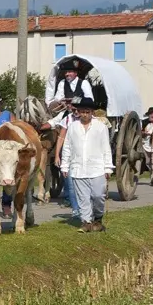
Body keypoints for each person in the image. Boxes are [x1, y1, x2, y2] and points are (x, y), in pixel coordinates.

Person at [60, 96, 113, 233]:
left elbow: (106, 148)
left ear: (92, 112)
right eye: (82, 112)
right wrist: (65, 165)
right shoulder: (73, 127)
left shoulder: (100, 127)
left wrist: (108, 167)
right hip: (78, 168)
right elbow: (67, 147)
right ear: (78, 112)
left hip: (97, 168)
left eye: (87, 112)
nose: (84, 114)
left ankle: (98, 218)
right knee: (82, 197)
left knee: (97, 195)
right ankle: (86, 222)